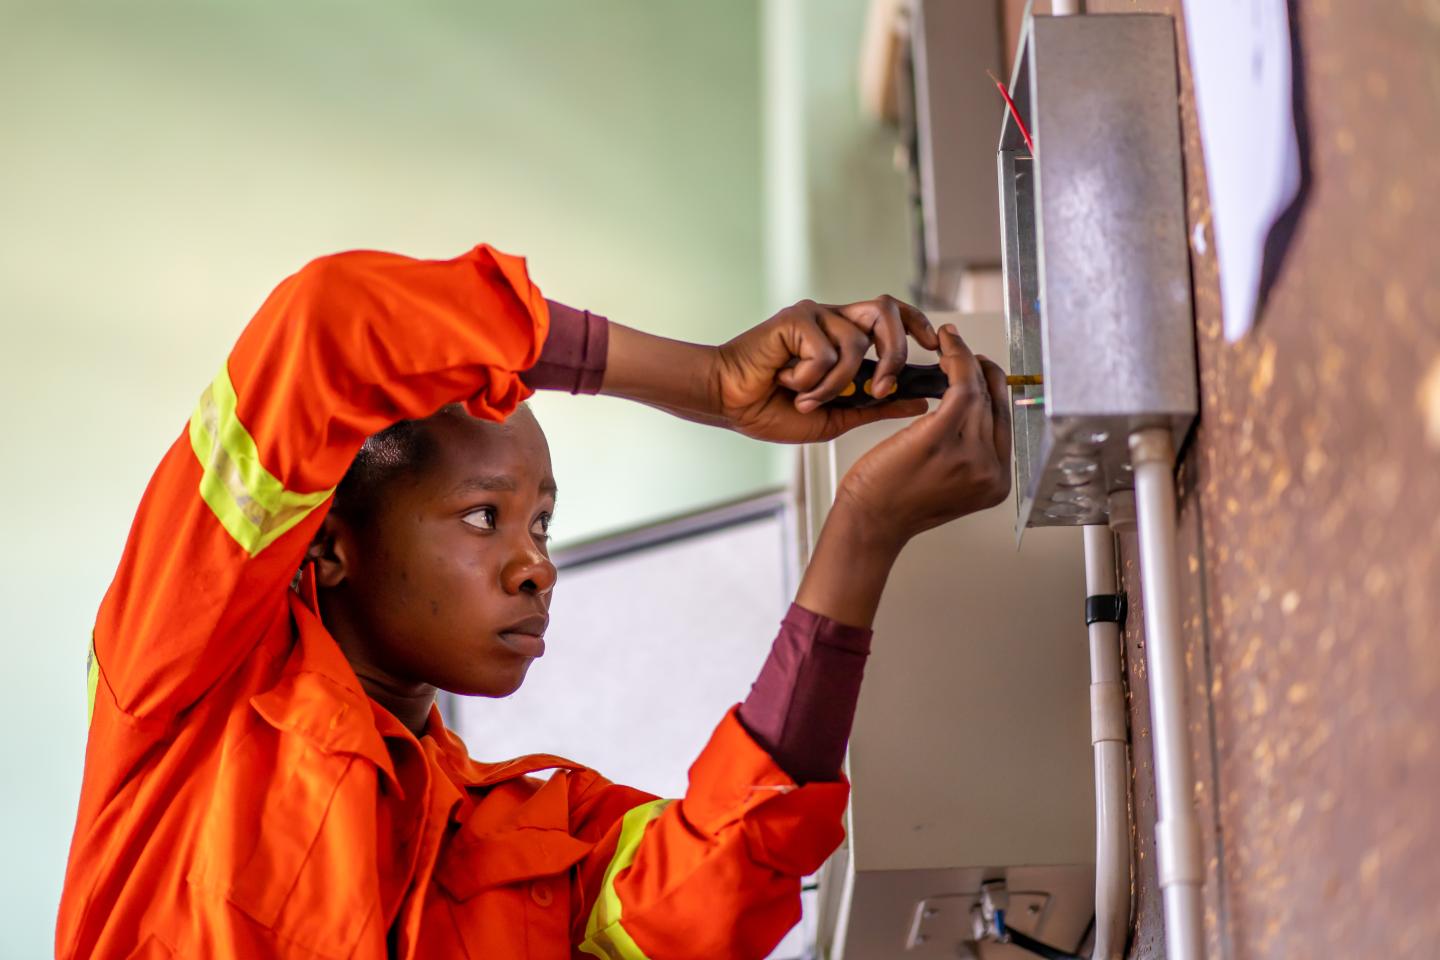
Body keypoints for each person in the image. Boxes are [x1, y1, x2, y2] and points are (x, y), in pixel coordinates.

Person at [59, 244, 1011, 959]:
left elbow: (711, 885)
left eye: (543, 526)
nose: (536, 568)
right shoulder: (184, 687)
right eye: (484, 518)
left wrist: (864, 529)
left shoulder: (508, 837)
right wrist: (710, 384)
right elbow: (331, 327)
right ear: (334, 548)